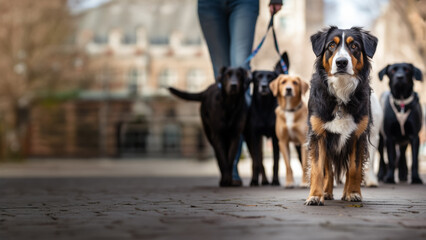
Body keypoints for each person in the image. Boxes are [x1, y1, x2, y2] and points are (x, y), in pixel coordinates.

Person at [198, 0, 283, 186]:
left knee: (240, 71)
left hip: (244, 3)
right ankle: (229, 168)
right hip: (208, 5)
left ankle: (240, 165)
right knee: (221, 76)